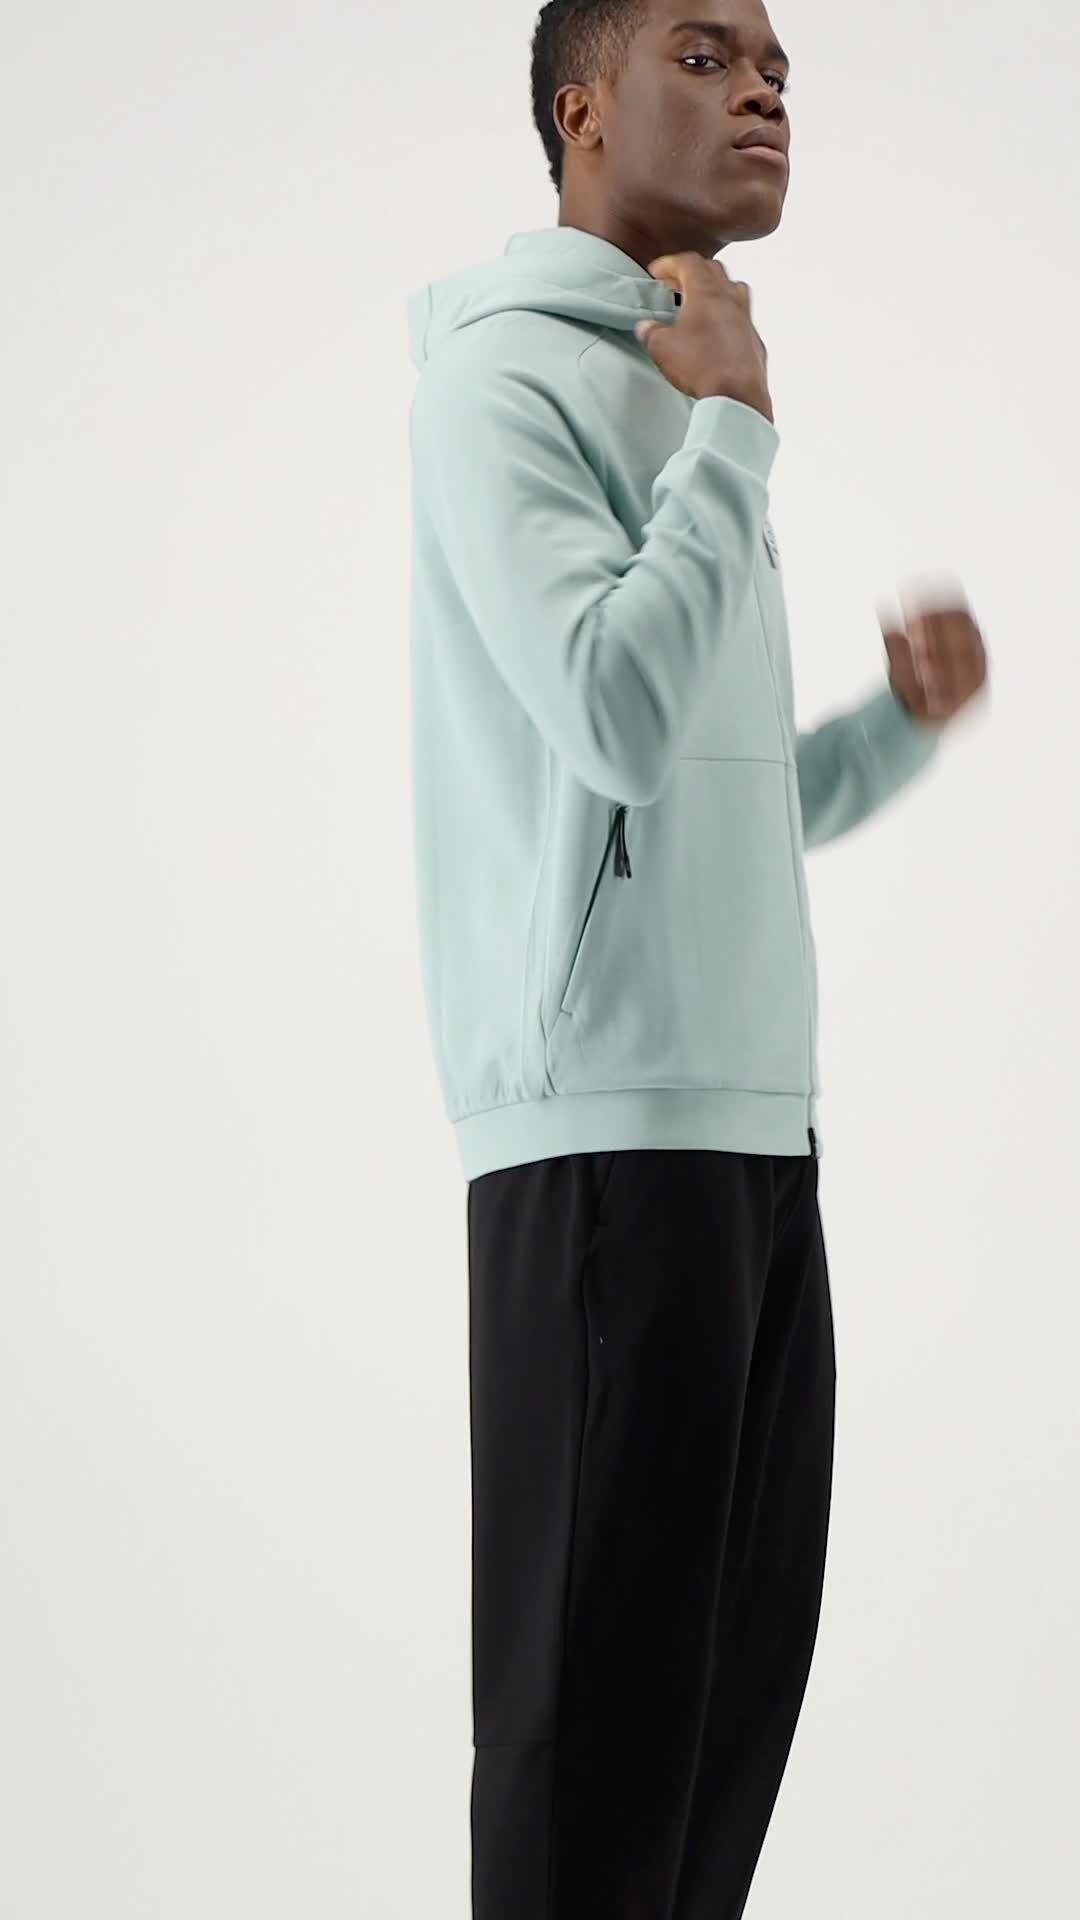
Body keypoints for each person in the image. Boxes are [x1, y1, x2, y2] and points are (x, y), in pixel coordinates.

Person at [404, 1, 988, 1913]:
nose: (764, 93)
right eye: (710, 55)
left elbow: (717, 792)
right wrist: (732, 430)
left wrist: (893, 729)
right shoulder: (504, 384)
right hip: (603, 1137)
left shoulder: (677, 376)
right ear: (581, 112)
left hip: (752, 1131)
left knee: (718, 1731)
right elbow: (613, 710)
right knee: (590, 1746)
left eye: (780, 71)